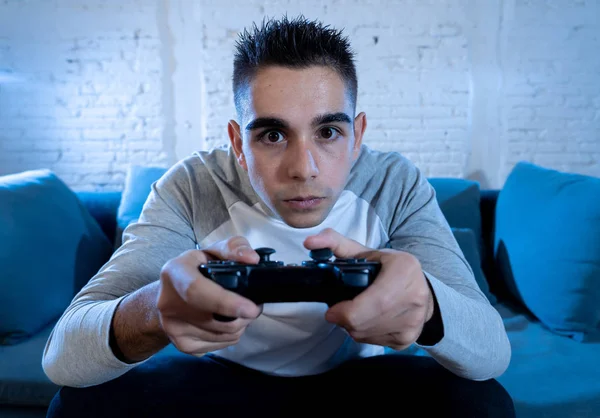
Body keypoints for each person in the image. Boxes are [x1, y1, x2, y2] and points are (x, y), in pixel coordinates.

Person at [43, 15, 515, 417]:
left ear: (357, 136)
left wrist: (429, 305)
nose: (303, 169)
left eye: (329, 131)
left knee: (483, 402)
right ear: (237, 143)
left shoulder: (394, 183)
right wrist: (152, 311)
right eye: (271, 135)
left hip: (359, 384)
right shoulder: (191, 186)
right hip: (224, 383)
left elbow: (492, 352)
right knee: (77, 405)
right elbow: (62, 359)